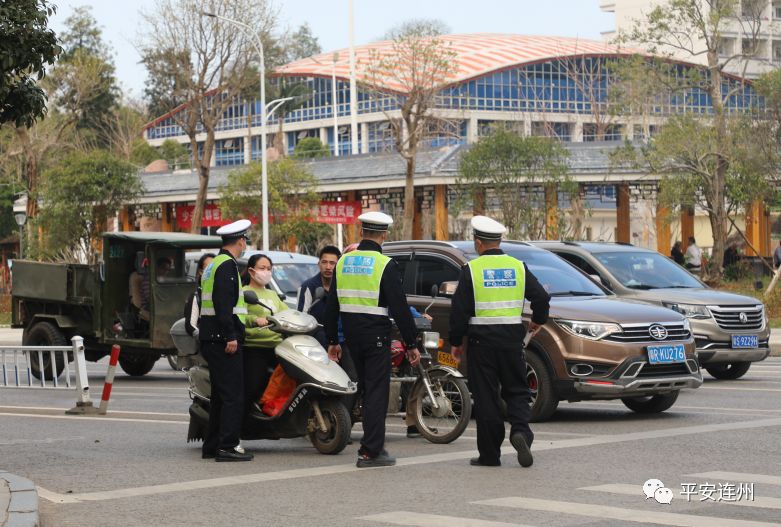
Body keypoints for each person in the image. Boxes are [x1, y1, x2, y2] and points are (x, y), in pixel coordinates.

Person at [449, 215, 550, 468]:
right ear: (499, 240)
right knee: (517, 390)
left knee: (486, 398)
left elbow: (459, 310)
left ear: (479, 243)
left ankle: (490, 455)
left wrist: (456, 342)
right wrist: (538, 320)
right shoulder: (518, 267)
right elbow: (541, 298)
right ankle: (520, 432)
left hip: (482, 343)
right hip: (512, 341)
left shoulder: (471, 270)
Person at [325, 211, 421, 468]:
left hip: (351, 336)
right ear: (384, 235)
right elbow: (399, 308)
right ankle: (371, 451)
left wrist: (333, 339)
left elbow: (331, 303)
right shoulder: (384, 264)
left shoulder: (344, 262)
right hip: (376, 334)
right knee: (377, 391)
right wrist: (411, 343)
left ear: (362, 232)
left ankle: (369, 444)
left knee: (366, 389)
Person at [198, 219, 253, 462]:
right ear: (241, 241)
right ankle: (228, 446)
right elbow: (223, 304)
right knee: (233, 396)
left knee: (221, 396)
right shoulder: (227, 266)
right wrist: (231, 335)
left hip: (211, 338)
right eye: (245, 241)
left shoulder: (213, 264)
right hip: (222, 339)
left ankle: (212, 445)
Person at [242, 253, 289, 414]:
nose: (266, 272)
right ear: (251, 271)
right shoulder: (243, 293)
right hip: (255, 346)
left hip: (277, 346)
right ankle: (247, 416)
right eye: (262, 268)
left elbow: (287, 312)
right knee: (255, 384)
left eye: (269, 269)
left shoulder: (272, 294)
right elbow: (239, 317)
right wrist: (255, 319)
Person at [298, 245, 342, 348]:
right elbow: (301, 317)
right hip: (315, 342)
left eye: (332, 263)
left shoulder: (343, 287)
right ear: (318, 264)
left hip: (341, 341)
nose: (328, 267)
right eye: (324, 262)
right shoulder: (308, 286)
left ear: (338, 265)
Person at [184, 253, 215, 336]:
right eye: (209, 267)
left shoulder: (225, 292)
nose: (213, 270)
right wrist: (204, 338)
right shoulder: (196, 296)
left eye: (215, 267)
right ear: (201, 271)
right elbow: (190, 326)